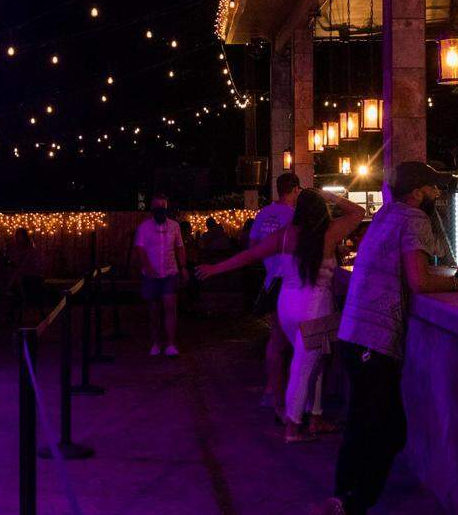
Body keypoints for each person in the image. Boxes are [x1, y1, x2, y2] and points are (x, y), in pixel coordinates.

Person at [324, 162, 458, 515]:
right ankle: (352, 513)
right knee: (387, 431)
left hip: (355, 336)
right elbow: (420, 280)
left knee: (364, 428)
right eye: (434, 189)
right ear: (418, 192)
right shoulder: (413, 218)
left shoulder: (386, 215)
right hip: (373, 342)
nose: (439, 197)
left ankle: (342, 510)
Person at [198, 188, 365, 442]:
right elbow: (358, 212)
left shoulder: (285, 235)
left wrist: (215, 268)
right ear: (321, 210)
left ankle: (315, 418)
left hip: (287, 304)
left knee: (314, 363)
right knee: (303, 366)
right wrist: (328, 195)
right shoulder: (329, 233)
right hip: (315, 308)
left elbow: (249, 255)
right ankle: (293, 426)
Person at [249, 172, 301, 418]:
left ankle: (271, 388)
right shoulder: (294, 216)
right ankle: (282, 396)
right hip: (288, 281)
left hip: (270, 278)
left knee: (275, 339)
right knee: (289, 342)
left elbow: (252, 247)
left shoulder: (263, 214)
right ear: (296, 190)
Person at [133, 194, 188, 356]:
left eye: (163, 208)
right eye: (157, 209)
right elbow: (140, 248)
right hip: (151, 275)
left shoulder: (174, 226)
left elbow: (179, 246)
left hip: (170, 272)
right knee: (154, 310)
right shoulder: (144, 227)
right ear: (152, 210)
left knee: (170, 308)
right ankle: (156, 343)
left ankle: (170, 344)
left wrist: (183, 267)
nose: (160, 212)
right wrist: (148, 267)